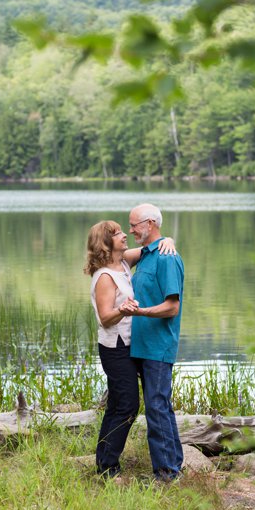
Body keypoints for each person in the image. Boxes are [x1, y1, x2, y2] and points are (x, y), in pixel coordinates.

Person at [83, 218, 176, 479]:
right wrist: (121, 311)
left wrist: (169, 241)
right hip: (115, 349)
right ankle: (107, 466)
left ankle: (106, 462)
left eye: (125, 231)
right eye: (118, 233)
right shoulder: (104, 276)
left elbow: (153, 246)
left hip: (131, 345)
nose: (125, 235)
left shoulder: (123, 261)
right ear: (106, 243)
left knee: (122, 404)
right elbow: (105, 318)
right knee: (125, 406)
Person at [117, 203, 186, 482]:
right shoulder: (147, 254)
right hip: (140, 345)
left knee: (157, 406)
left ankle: (167, 473)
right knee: (159, 406)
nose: (130, 230)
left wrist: (141, 312)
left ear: (149, 224)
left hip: (158, 346)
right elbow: (114, 254)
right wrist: (165, 238)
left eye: (134, 225)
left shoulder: (167, 259)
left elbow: (172, 307)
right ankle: (172, 466)